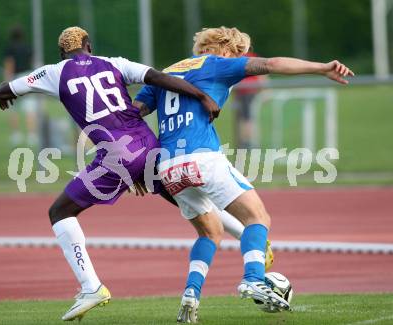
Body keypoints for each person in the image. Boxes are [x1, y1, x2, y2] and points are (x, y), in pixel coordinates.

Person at [0, 26, 221, 322]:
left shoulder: (55, 71)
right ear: (89, 45)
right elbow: (158, 77)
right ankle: (250, 238)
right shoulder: (115, 62)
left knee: (60, 212)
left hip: (116, 155)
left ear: (62, 52)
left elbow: (7, 88)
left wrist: (3, 94)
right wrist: (202, 96)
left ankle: (91, 287)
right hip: (147, 142)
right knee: (190, 200)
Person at [134, 26, 353, 322]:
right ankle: (253, 277)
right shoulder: (216, 63)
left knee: (210, 232)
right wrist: (321, 68)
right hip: (202, 157)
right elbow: (271, 64)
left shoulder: (165, 72)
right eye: (237, 54)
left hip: (168, 167)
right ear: (226, 50)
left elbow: (133, 113)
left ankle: (191, 293)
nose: (238, 59)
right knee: (257, 217)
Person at [3, 25, 38, 147]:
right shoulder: (29, 48)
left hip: (15, 78)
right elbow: (33, 64)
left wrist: (7, 81)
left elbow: (10, 65)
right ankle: (32, 135)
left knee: (13, 108)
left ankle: (16, 135)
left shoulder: (10, 48)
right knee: (30, 109)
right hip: (28, 78)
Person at [234, 52, 265, 149]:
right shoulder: (237, 57)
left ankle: (249, 142)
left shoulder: (248, 56)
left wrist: (265, 89)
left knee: (247, 118)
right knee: (243, 118)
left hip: (249, 92)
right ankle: (245, 142)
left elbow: (262, 73)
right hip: (242, 92)